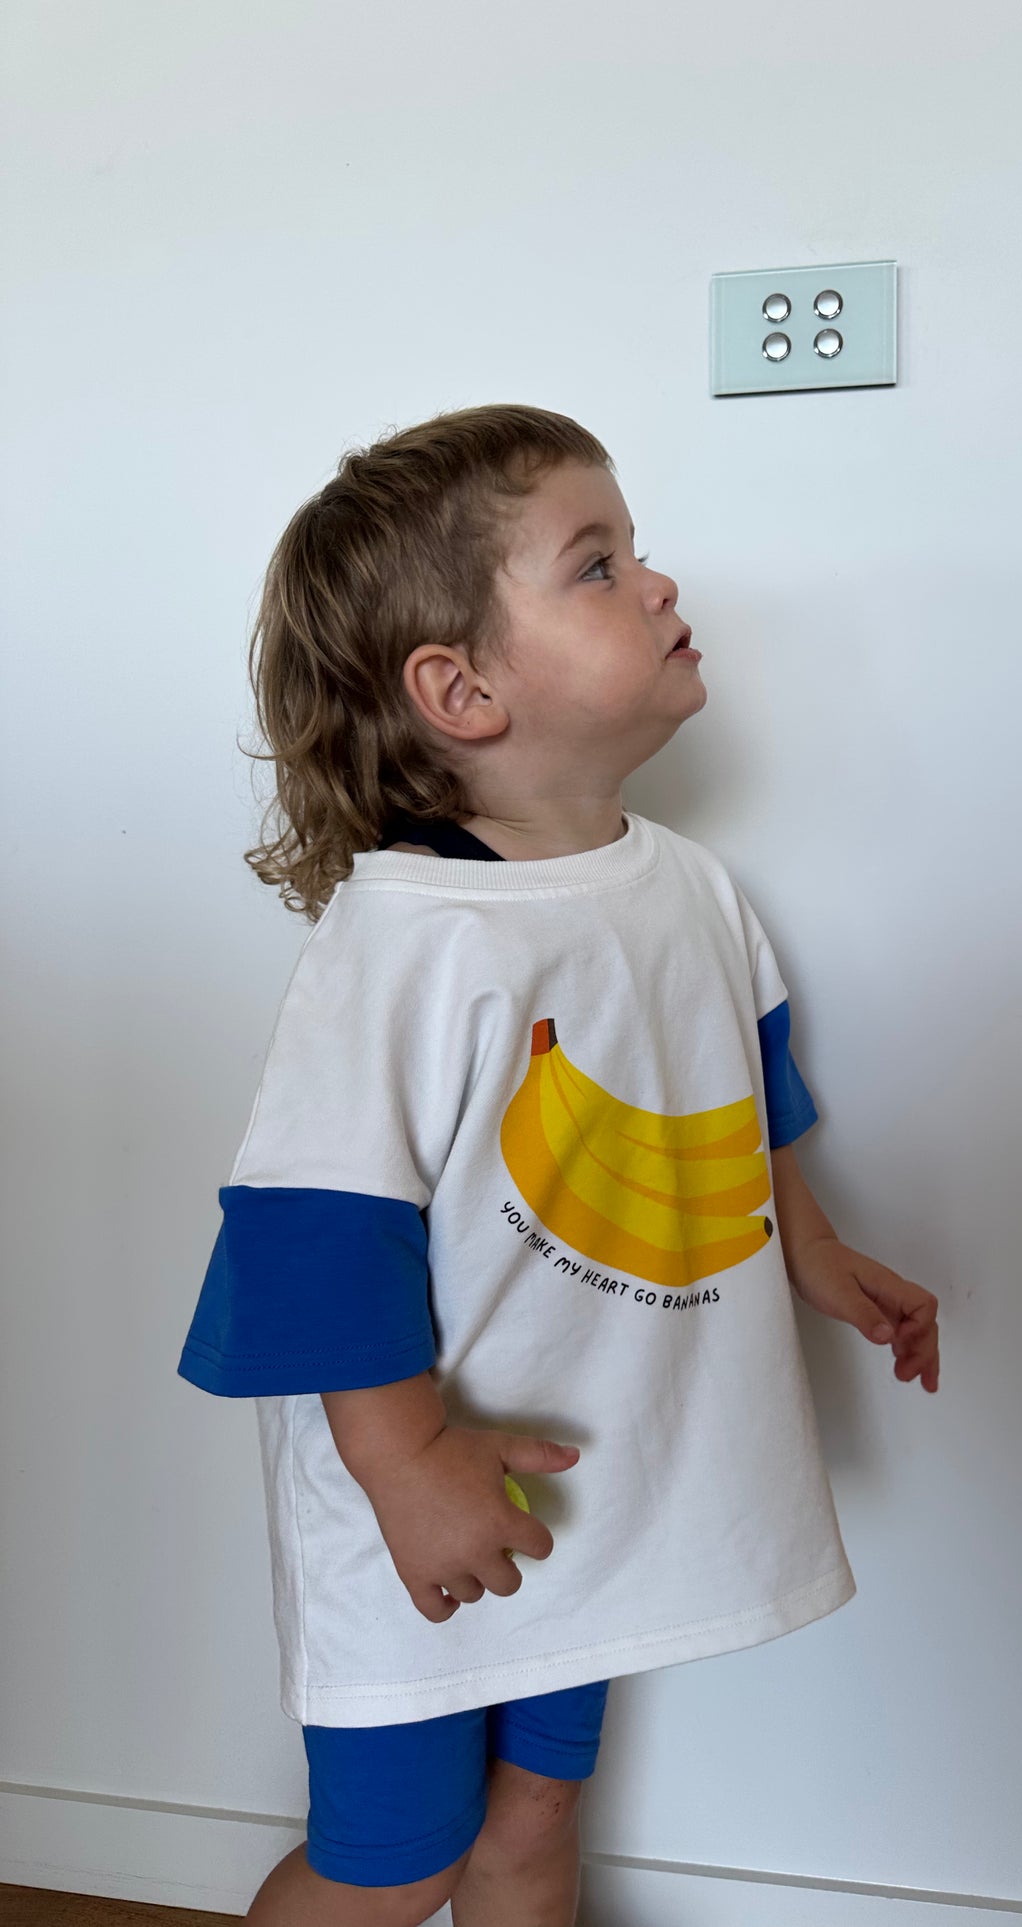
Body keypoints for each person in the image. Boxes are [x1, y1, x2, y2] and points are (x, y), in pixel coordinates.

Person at [177, 403, 941, 1927]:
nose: (658, 584)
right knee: (396, 1864)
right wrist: (406, 1471)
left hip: (591, 1497)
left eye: (635, 551)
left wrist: (811, 1247)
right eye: (597, 565)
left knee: (534, 1825)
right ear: (457, 690)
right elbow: (319, 1232)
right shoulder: (406, 939)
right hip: (434, 1510)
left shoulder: (690, 889)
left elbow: (748, 1084)